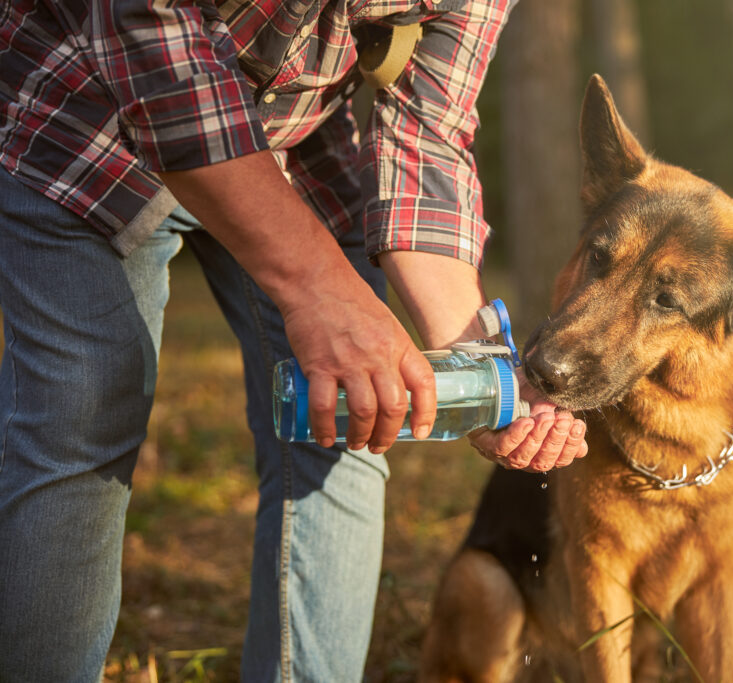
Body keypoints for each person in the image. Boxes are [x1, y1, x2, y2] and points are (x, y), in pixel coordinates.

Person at [0, 0, 587, 680]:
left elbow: (430, 135)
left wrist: (483, 369)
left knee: (353, 415)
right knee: (86, 404)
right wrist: (323, 292)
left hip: (284, 133)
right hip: (82, 105)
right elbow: (151, 39)